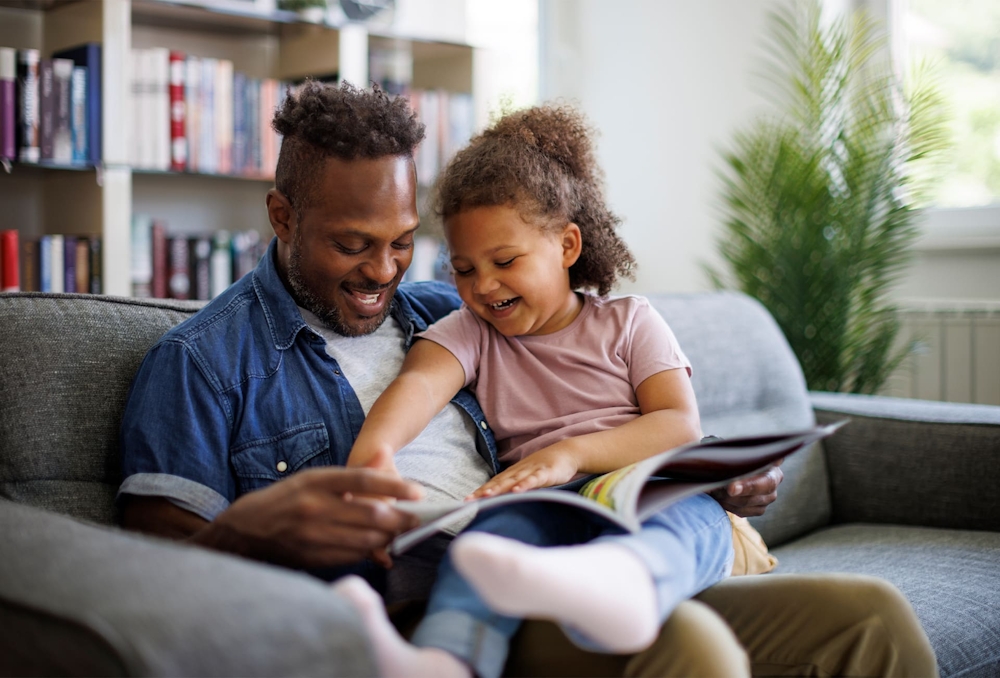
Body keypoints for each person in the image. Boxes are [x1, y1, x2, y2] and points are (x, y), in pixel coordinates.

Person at [117, 81, 937, 677]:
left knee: (871, 619)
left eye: (401, 241)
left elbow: (610, 404)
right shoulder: (201, 364)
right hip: (434, 599)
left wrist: (721, 477)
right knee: (693, 649)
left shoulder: (451, 309)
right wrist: (263, 527)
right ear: (284, 217)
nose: (383, 272)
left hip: (581, 548)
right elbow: (140, 573)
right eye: (352, 244)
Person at [336, 104, 737, 678]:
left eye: (505, 261)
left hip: (635, 489)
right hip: (539, 504)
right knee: (483, 548)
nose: (483, 285)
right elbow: (419, 386)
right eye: (464, 269)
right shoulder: (471, 332)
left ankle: (631, 585)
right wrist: (371, 459)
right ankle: (445, 659)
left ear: (567, 247)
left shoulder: (630, 323)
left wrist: (569, 455)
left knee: (694, 517)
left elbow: (678, 425)